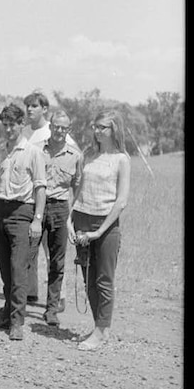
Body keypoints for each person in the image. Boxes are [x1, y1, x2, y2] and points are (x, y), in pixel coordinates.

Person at [69, 109, 130, 351]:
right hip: (82, 219)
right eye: (95, 126)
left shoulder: (121, 160)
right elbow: (79, 190)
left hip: (105, 225)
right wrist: (69, 219)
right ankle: (98, 327)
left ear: (114, 129)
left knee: (104, 280)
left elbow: (121, 201)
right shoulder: (89, 155)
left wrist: (99, 231)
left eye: (101, 127)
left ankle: (101, 330)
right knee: (88, 279)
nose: (96, 131)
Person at [0, 103, 47, 341]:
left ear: (22, 124)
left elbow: (41, 188)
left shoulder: (33, 152)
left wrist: (37, 221)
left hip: (23, 211)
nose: (9, 129)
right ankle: (7, 310)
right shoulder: (1, 152)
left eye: (13, 124)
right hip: (0, 210)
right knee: (5, 269)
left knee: (18, 268)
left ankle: (17, 321)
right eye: (5, 124)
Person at [22, 91, 76, 306]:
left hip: (56, 201)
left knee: (53, 252)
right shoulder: (26, 131)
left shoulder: (54, 129)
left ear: (45, 109)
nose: (29, 109)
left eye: (34, 105)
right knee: (30, 248)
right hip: (33, 200)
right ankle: (30, 291)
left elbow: (73, 156)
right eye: (28, 105)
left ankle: (58, 297)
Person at [29, 110, 83, 326]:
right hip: (36, 206)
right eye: (56, 126)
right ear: (50, 127)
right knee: (26, 256)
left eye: (64, 128)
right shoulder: (36, 150)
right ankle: (15, 306)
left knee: (57, 261)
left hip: (60, 208)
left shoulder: (75, 156)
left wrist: (71, 212)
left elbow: (77, 185)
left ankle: (51, 309)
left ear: (68, 130)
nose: (59, 131)